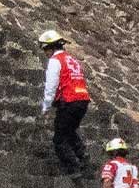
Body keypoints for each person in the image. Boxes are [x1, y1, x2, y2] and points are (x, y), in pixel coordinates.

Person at [39, 29, 92, 174]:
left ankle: (75, 170)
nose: (45, 52)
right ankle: (83, 157)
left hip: (70, 101)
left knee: (59, 139)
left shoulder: (56, 61)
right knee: (69, 131)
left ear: (51, 47)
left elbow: (51, 86)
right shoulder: (71, 59)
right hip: (83, 100)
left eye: (45, 48)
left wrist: (46, 107)